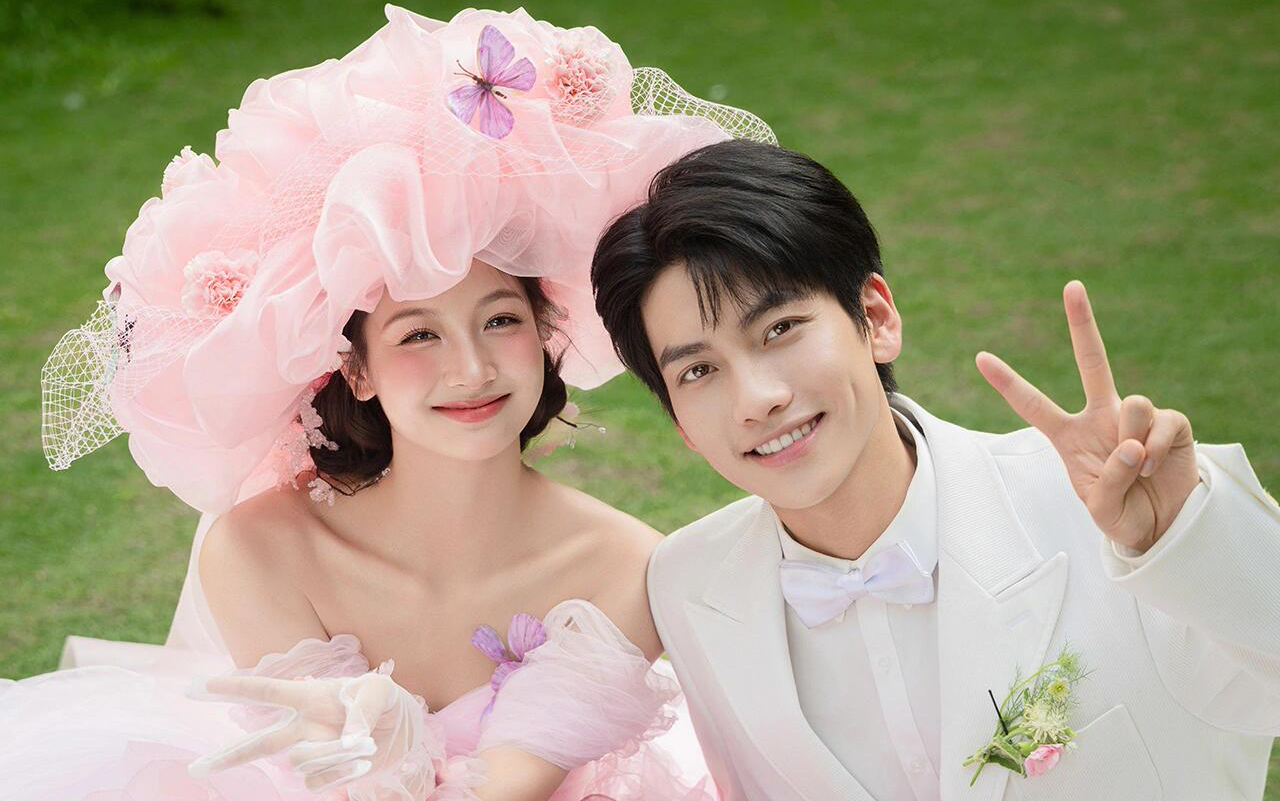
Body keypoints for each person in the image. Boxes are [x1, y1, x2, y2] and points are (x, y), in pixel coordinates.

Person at [2, 7, 773, 799]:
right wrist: (372, 761)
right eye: (418, 334)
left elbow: (509, 786)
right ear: (356, 369)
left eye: (500, 321)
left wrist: (403, 760)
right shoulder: (260, 550)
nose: (471, 367)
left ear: (547, 333)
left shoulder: (627, 565)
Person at [589, 139, 1280, 800]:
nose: (756, 399)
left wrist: (1183, 537)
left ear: (876, 317)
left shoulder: (1105, 506)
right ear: (679, 421)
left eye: (779, 329)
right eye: (698, 370)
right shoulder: (689, 586)